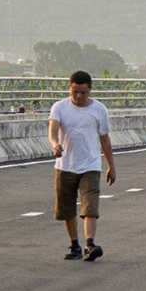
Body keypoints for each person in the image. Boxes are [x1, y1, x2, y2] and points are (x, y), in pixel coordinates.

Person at [48, 71, 115, 262]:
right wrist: (55, 145)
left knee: (90, 206)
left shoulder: (99, 110)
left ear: (90, 90)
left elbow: (104, 139)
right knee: (67, 209)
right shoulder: (60, 107)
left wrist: (112, 165)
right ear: (70, 88)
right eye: (75, 92)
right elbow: (53, 130)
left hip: (90, 165)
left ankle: (90, 244)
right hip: (65, 166)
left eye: (83, 93)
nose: (78, 96)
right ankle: (75, 244)